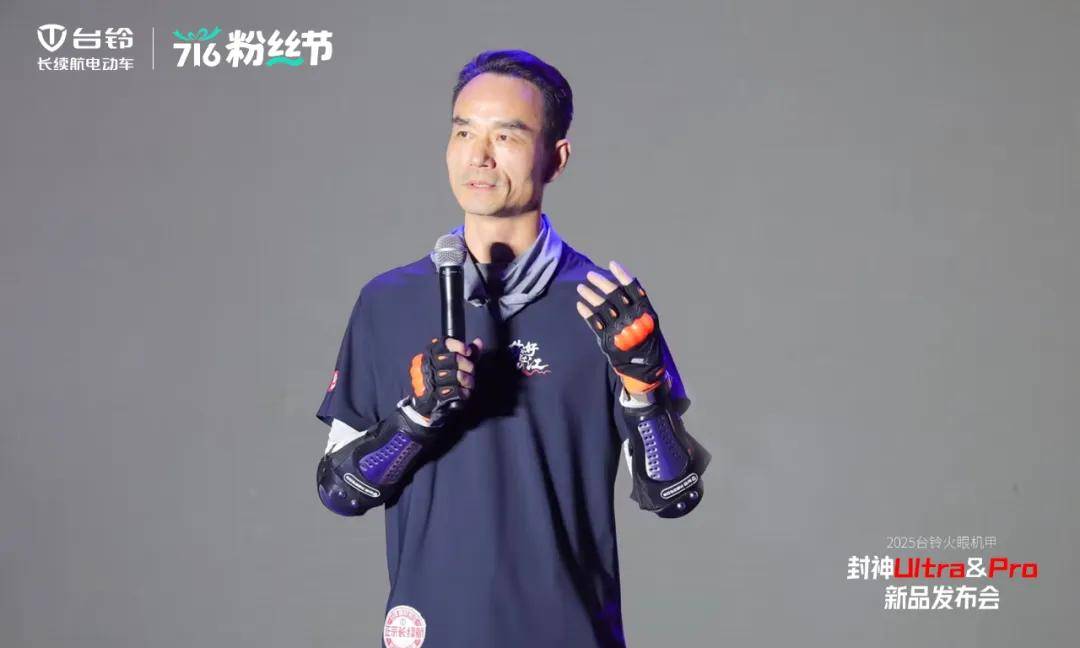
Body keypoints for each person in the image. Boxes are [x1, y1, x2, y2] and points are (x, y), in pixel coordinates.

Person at [315, 49, 711, 648]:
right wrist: (414, 421)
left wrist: (643, 386)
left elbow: (673, 495)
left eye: (506, 135)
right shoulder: (387, 301)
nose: (479, 155)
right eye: (463, 132)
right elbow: (340, 493)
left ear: (556, 158)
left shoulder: (604, 305)